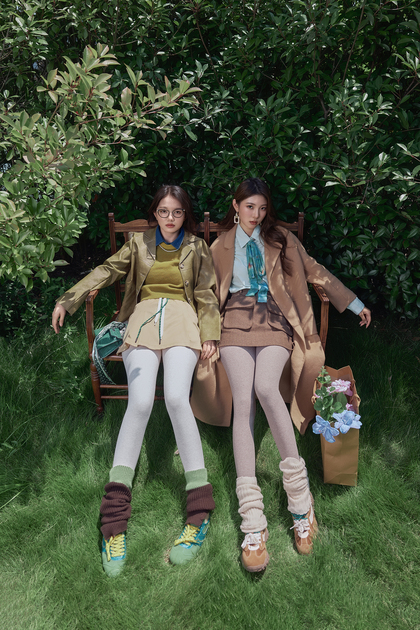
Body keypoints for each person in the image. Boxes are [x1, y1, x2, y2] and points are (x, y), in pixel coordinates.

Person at [52, 185, 220, 577]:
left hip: (183, 322)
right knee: (140, 402)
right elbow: (105, 270)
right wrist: (68, 299)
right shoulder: (138, 243)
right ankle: (113, 519)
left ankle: (199, 511)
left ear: (186, 214)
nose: (170, 219)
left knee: (176, 398)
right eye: (163, 211)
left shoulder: (197, 247)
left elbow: (207, 294)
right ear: (154, 213)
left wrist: (210, 333)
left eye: (177, 212)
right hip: (142, 321)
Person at [207, 177, 371, 572]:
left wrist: (353, 303)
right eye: (250, 207)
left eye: (262, 208)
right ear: (236, 206)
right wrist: (203, 333)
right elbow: (204, 293)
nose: (257, 214)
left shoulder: (281, 238)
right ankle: (252, 521)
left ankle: (300, 501)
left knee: (266, 387)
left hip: (275, 319)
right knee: (243, 401)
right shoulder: (220, 245)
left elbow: (315, 271)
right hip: (233, 321)